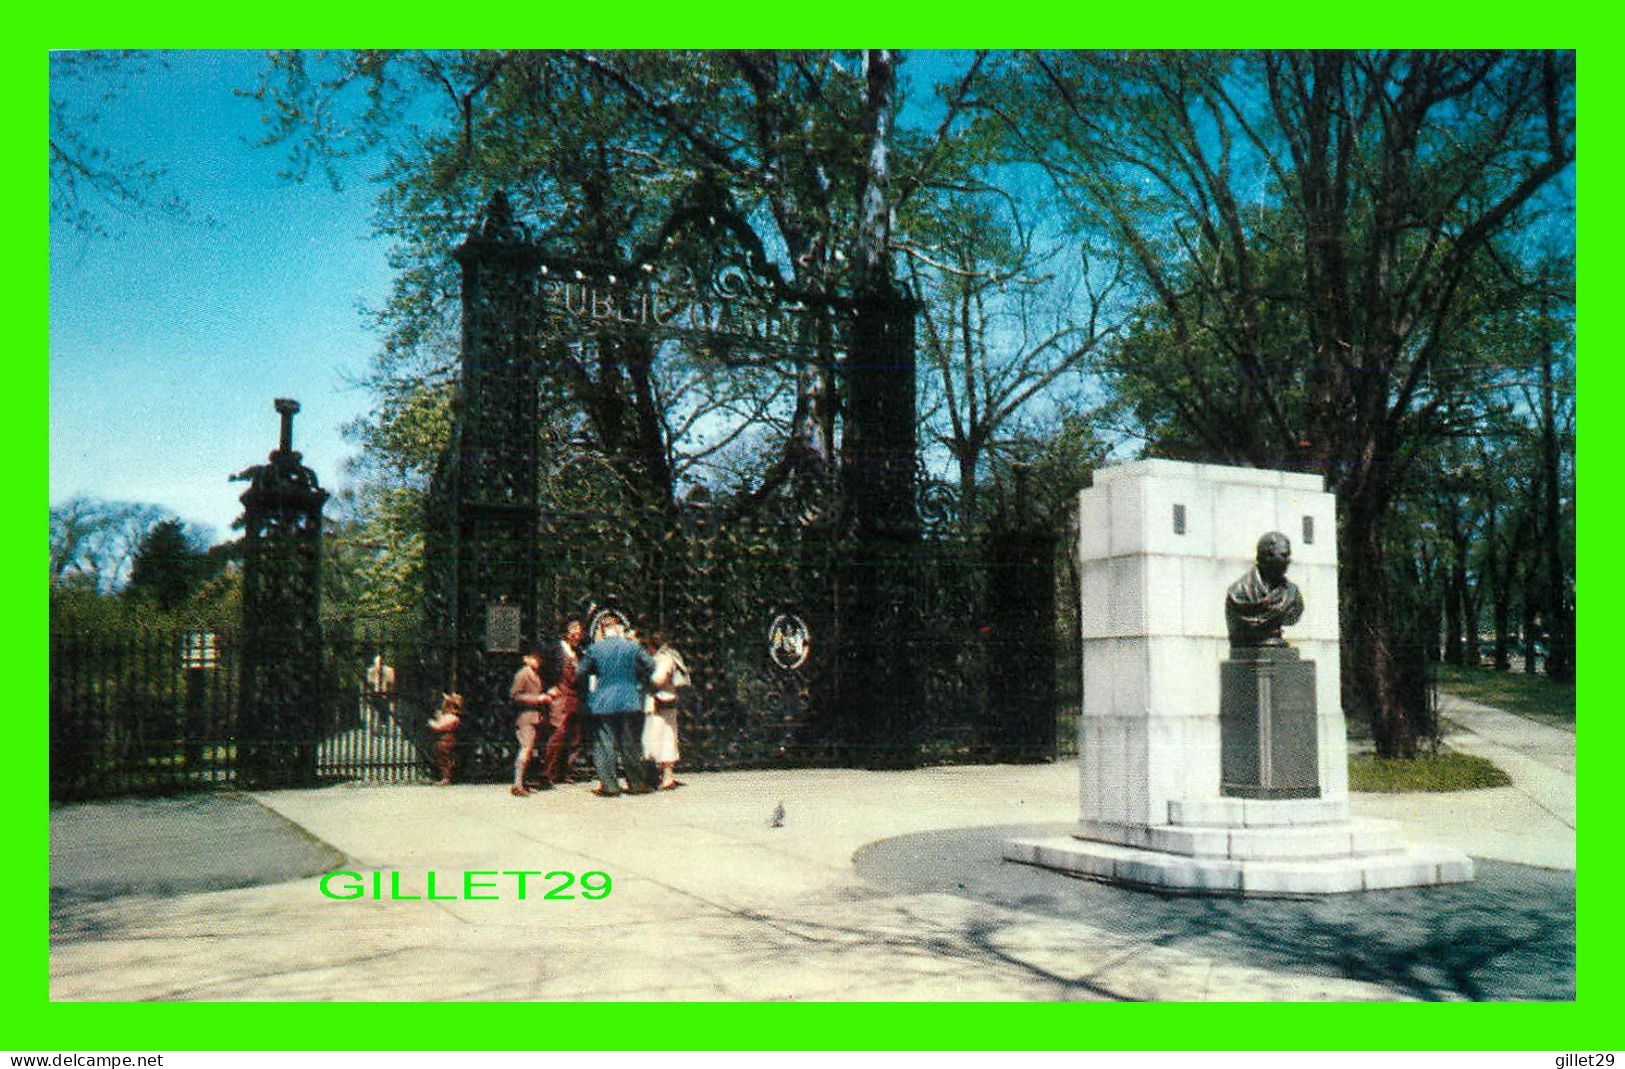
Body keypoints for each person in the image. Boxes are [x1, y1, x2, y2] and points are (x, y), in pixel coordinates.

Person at [574, 615, 655, 797]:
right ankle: (636, 783)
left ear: (602, 630)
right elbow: (651, 665)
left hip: (603, 701)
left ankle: (610, 786)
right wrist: (636, 676)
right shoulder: (632, 646)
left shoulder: (595, 648)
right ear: (619, 628)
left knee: (605, 744)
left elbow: (580, 672)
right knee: (630, 743)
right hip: (629, 698)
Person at [1224, 531, 1305, 647]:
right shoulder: (1238, 592)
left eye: (1288, 555)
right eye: (1284, 555)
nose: (1289, 560)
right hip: (1248, 652)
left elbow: (1293, 616)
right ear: (1267, 557)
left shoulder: (1292, 593)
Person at [541, 618, 586, 786]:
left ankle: (564, 771)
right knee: (558, 733)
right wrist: (548, 687)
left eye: (579, 632)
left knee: (574, 736)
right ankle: (549, 773)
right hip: (560, 696)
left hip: (575, 697)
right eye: (574, 631)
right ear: (566, 633)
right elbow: (543, 669)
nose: (577, 635)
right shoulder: (554, 649)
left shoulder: (579, 652)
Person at [641, 632, 688, 790]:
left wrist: (642, 678)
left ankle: (666, 778)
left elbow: (658, 680)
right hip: (664, 702)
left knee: (659, 738)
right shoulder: (668, 656)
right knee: (665, 738)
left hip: (660, 703)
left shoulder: (665, 658)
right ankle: (664, 777)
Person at [509, 647, 553, 797]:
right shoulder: (523, 674)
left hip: (537, 716)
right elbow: (515, 695)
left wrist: (546, 696)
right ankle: (517, 783)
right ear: (526, 659)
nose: (538, 661)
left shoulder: (537, 674)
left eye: (539, 659)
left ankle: (525, 780)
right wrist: (537, 699)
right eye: (534, 658)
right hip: (526, 716)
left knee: (531, 750)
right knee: (526, 749)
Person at [427, 693, 463, 786]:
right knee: (439, 757)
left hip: (446, 740)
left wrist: (432, 723)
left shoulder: (453, 717)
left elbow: (441, 726)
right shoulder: (448, 716)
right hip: (442, 739)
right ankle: (440, 776)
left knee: (444, 759)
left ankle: (446, 778)